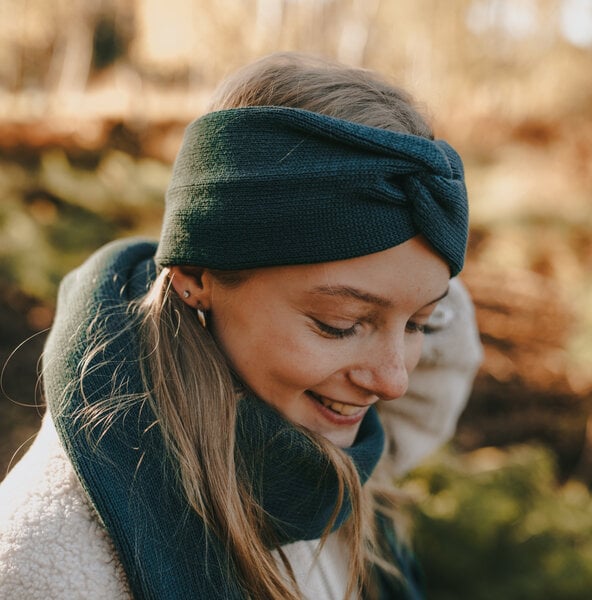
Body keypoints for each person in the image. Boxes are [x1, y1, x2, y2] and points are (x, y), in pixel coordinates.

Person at [0, 52, 481, 599]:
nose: (394, 383)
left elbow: (444, 362)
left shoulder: (325, 464)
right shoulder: (53, 570)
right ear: (195, 274)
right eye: (339, 323)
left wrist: (398, 287)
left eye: (421, 322)